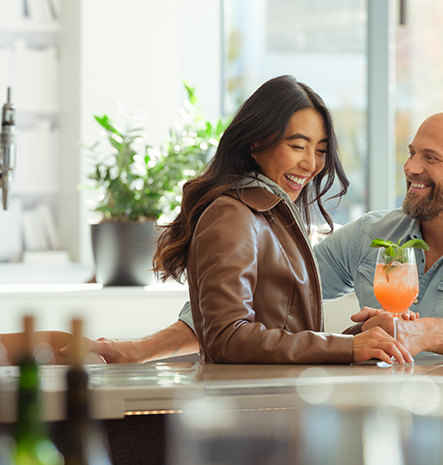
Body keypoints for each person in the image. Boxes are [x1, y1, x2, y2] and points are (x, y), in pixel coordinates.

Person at [77, 109, 443, 362]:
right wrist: (141, 350)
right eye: (410, 154)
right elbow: (263, 294)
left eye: (431, 158)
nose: (410, 168)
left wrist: (420, 332)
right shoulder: (372, 235)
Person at [148, 75, 411, 365]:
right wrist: (347, 347)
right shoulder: (232, 215)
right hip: (250, 405)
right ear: (256, 142)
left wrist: (362, 336)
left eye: (320, 151)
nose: (311, 164)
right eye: (298, 146)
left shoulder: (273, 214)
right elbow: (226, 338)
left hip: (278, 399)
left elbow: (288, 337)